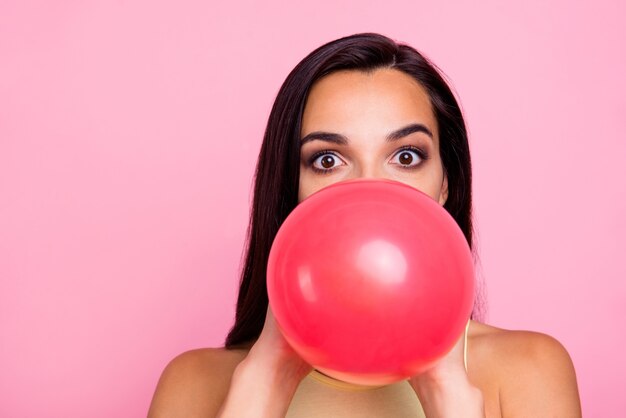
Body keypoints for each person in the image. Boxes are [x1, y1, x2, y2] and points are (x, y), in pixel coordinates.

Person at [147, 32, 582, 417]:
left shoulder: (528, 369)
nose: (370, 191)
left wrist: (449, 399)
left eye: (406, 157)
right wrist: (262, 386)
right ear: (288, 188)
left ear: (445, 183)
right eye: (328, 160)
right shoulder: (196, 385)